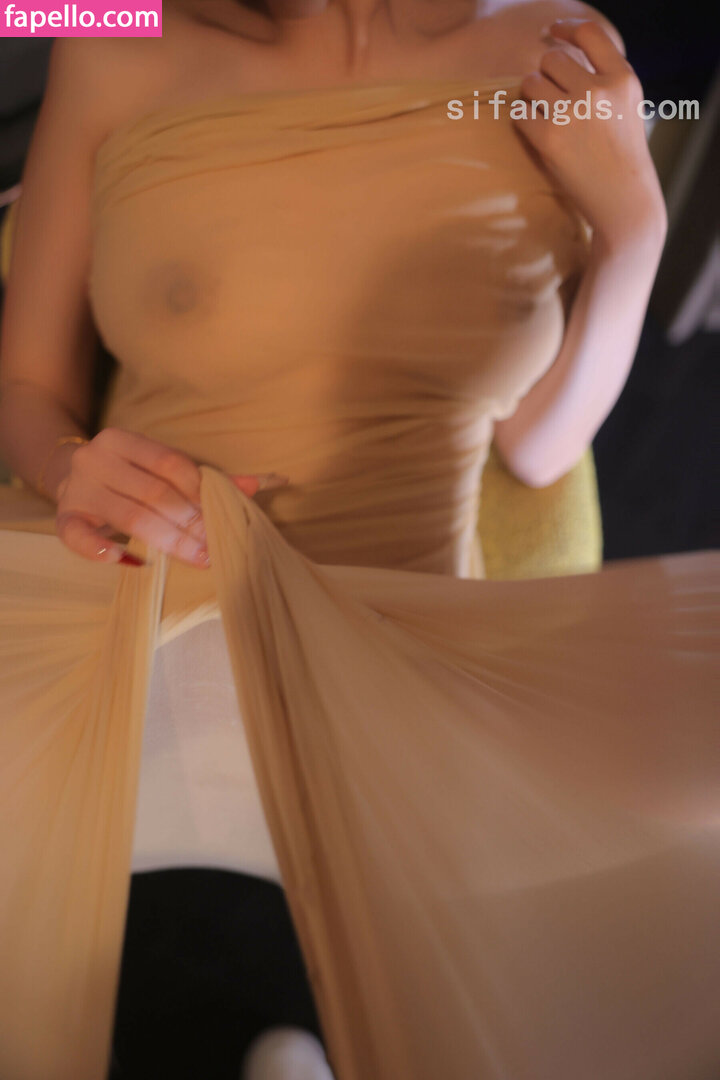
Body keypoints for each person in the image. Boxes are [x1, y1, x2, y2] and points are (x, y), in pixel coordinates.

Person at [0, 2, 717, 1079]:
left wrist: (635, 233)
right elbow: (28, 384)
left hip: (415, 662)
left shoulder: (555, 44)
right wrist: (67, 467)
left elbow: (539, 450)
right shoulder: (112, 24)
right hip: (144, 619)